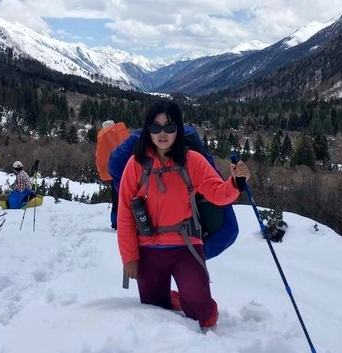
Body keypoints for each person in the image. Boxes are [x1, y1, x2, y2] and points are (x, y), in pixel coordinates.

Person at [117, 100, 251, 329]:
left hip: (185, 246)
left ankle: (192, 299)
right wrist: (129, 258)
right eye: (156, 127)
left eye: (169, 127)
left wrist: (236, 183)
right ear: (148, 129)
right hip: (148, 249)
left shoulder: (192, 161)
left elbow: (218, 194)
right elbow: (125, 214)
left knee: (203, 315)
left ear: (177, 129)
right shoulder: (136, 165)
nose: (162, 133)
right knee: (154, 309)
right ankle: (175, 297)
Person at [95, 119, 129, 228]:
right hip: (124, 170)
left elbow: (100, 157)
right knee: (125, 198)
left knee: (115, 199)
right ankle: (125, 222)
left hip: (112, 171)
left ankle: (115, 223)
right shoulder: (118, 135)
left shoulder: (102, 139)